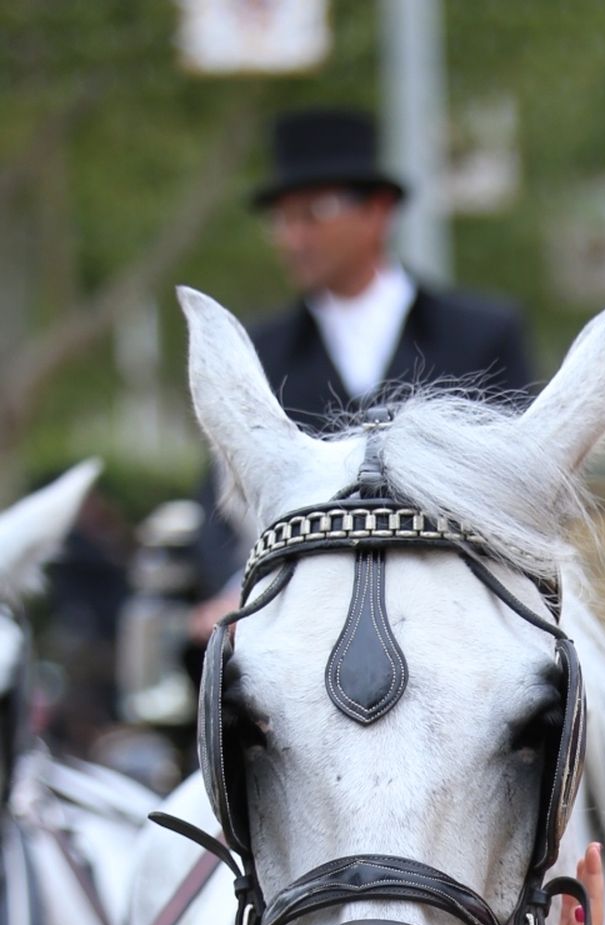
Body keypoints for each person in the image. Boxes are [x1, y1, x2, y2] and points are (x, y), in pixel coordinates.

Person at [191, 106, 534, 610]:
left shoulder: (480, 335)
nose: (293, 238)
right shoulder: (260, 351)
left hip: (453, 606)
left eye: (314, 213)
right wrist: (235, 590)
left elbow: (517, 484)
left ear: (377, 212)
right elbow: (224, 490)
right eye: (283, 219)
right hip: (300, 606)